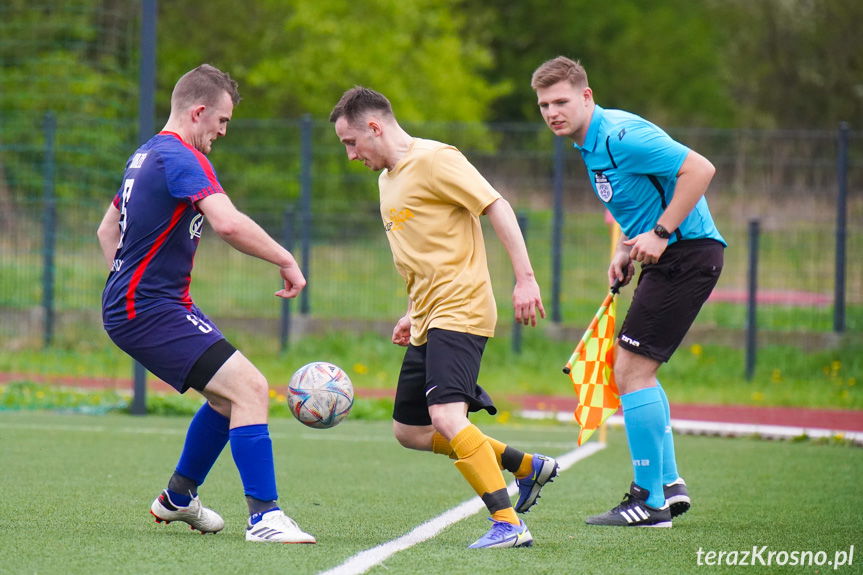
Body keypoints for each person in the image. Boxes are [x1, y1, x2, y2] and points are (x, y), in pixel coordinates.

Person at [330, 87, 559, 549]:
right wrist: (412, 311)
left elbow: (497, 206)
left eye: (351, 143)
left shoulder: (436, 159)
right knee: (410, 431)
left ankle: (509, 525)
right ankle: (526, 466)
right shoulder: (386, 180)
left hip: (462, 307)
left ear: (375, 127)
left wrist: (526, 278)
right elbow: (428, 254)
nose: (351, 155)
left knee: (446, 416)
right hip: (428, 315)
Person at [97, 64, 316, 544]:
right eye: (221, 121)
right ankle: (265, 517)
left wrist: (127, 283)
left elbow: (106, 230)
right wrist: (286, 259)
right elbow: (230, 224)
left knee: (225, 398)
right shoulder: (181, 157)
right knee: (251, 389)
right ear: (198, 112)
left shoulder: (145, 154)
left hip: (150, 303)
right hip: (148, 308)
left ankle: (178, 497)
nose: (222, 131)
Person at [531, 57, 726, 527]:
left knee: (632, 372)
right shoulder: (588, 143)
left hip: (686, 254)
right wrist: (625, 246)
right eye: (543, 104)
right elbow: (638, 196)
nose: (552, 111)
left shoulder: (621, 136)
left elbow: (700, 170)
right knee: (636, 370)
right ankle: (669, 484)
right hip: (672, 258)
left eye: (561, 101)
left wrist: (659, 232)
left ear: (586, 96)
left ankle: (650, 501)